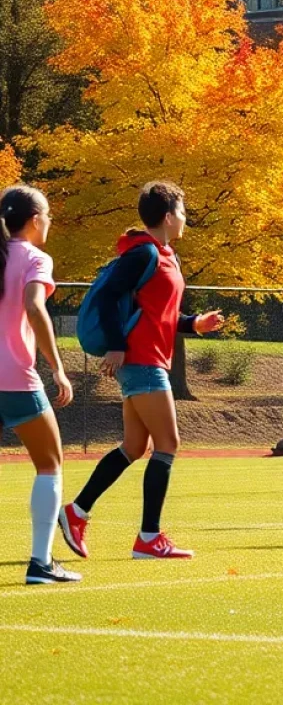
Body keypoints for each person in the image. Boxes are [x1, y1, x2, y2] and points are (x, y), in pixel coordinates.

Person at [59, 181, 223, 561]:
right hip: (143, 360)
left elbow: (158, 315)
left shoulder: (166, 256)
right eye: (182, 212)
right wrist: (116, 346)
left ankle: (76, 512)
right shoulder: (143, 253)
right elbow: (107, 298)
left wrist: (194, 323)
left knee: (136, 447)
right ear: (168, 217)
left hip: (147, 359)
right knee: (168, 445)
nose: (185, 220)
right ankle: (148, 537)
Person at [0, 185, 81, 585]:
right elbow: (34, 308)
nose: (49, 222)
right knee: (50, 465)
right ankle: (40, 564)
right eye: (47, 215)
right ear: (34, 220)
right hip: (15, 377)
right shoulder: (35, 258)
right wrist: (57, 367)